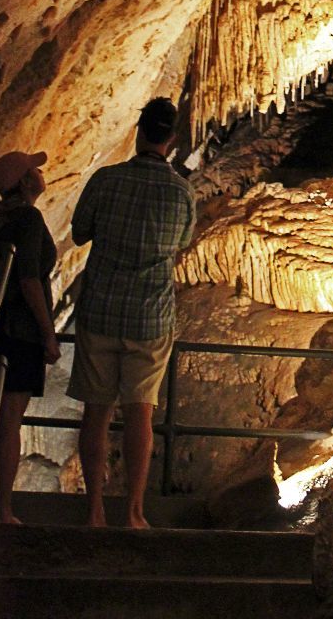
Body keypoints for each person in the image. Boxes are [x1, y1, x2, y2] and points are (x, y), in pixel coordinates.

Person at [67, 97, 195, 528]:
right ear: (172, 139)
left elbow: (80, 231)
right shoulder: (181, 191)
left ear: (139, 131)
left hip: (101, 310)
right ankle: (135, 512)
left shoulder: (106, 181)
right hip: (150, 317)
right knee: (140, 411)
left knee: (97, 412)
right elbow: (180, 242)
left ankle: (94, 511)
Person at [0, 151, 61, 525]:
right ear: (25, 182)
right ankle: (1, 510)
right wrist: (48, 334)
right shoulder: (29, 219)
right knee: (7, 424)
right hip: (18, 334)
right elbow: (28, 280)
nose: (41, 172)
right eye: (35, 168)